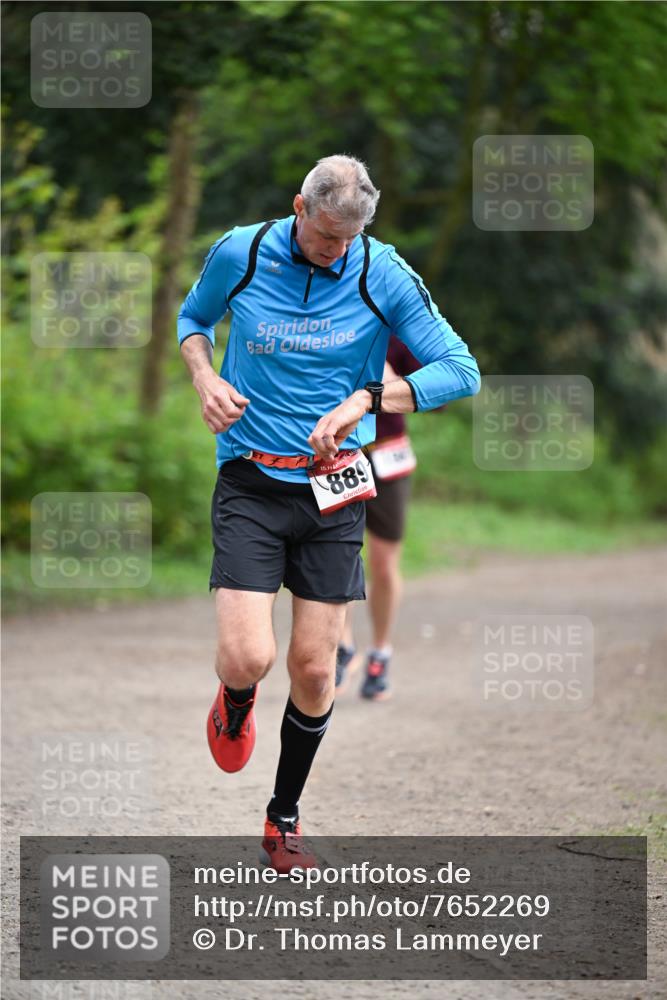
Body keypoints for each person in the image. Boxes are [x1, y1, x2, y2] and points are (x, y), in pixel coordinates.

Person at [177, 154, 480, 873]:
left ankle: (282, 818)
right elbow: (193, 319)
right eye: (324, 237)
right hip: (251, 480)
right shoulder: (241, 252)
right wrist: (205, 376)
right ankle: (236, 700)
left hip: (334, 489)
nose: (335, 251)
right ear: (299, 208)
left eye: (349, 239)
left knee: (316, 671)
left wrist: (366, 399)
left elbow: (459, 369)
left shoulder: (382, 272)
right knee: (249, 657)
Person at [335, 335, 422, 701]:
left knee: (383, 566)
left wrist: (394, 383)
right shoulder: (331, 322)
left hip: (387, 456)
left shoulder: (401, 329)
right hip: (338, 454)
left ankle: (380, 653)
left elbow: (439, 397)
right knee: (335, 555)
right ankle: (342, 647)